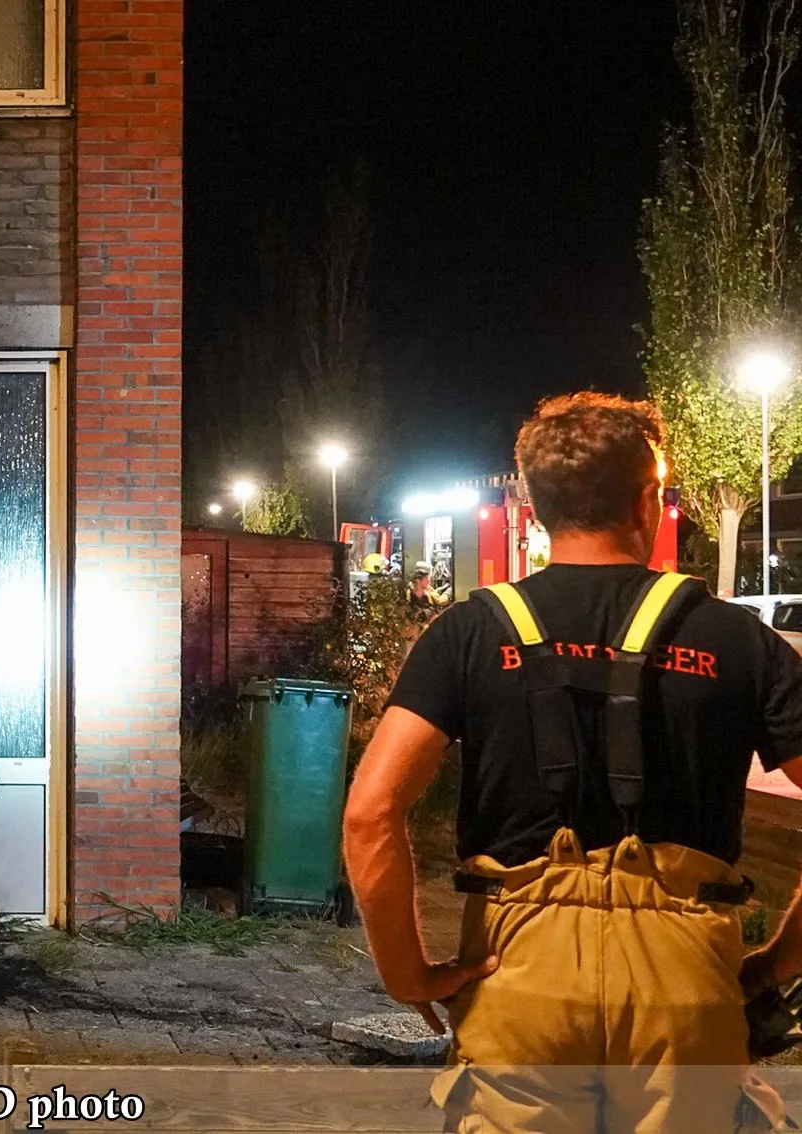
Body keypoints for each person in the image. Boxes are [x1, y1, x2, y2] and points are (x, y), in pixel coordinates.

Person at [343, 392, 802, 1132]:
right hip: (685, 982)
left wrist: (408, 972)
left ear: (531, 504)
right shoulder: (737, 640)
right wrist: (779, 960)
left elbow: (370, 813)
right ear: (648, 499)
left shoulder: (467, 634)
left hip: (518, 979)